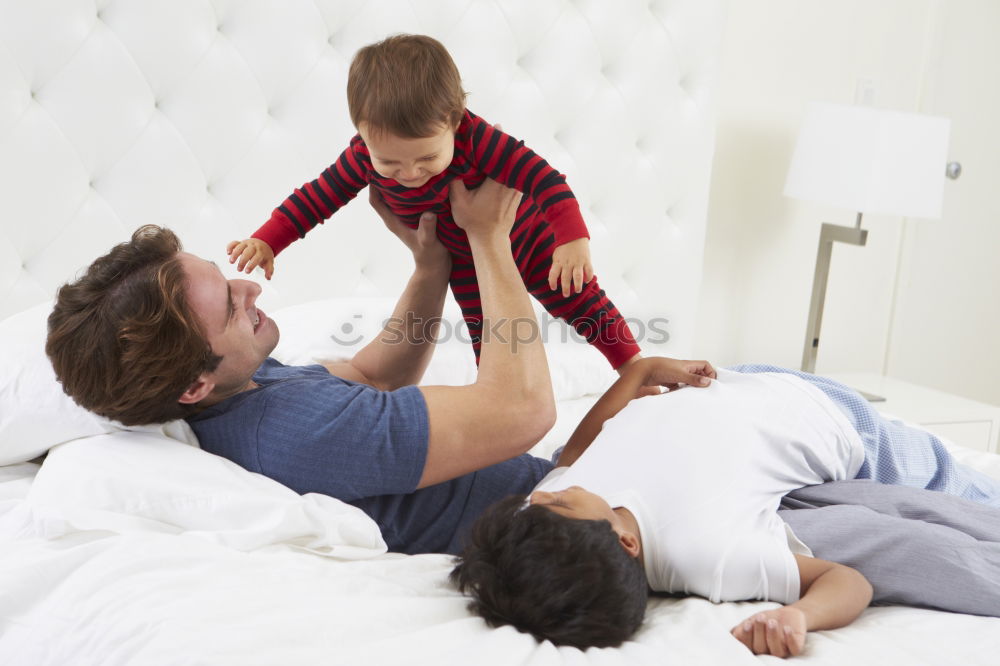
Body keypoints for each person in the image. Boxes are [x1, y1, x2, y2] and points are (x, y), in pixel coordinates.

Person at [44, 177, 715, 556]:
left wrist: (433, 265)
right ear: (193, 382)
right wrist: (488, 239)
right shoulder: (298, 429)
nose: (251, 287)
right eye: (228, 304)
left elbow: (375, 379)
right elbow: (524, 410)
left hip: (573, 475)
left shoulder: (243, 392)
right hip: (583, 527)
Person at [450, 360, 1000, 656]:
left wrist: (636, 374)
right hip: (842, 423)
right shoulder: (709, 556)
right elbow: (845, 578)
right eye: (557, 504)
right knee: (968, 495)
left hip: (747, 374)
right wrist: (799, 615)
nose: (545, 492)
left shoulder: (549, 509)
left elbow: (573, 454)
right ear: (625, 542)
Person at [225, 34, 645, 374]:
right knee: (492, 339)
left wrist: (573, 240)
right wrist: (268, 241)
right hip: (466, 263)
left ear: (455, 119)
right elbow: (315, 199)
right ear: (362, 133)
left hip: (532, 244)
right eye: (389, 162)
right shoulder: (360, 157)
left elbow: (546, 181)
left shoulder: (479, 140)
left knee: (583, 303)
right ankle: (499, 398)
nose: (409, 173)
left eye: (427, 158)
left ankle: (633, 366)